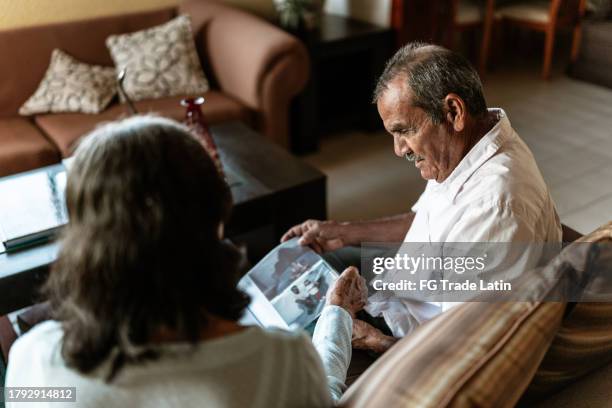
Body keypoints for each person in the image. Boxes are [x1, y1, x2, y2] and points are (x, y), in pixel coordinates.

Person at [5, 116, 366, 407]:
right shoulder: (279, 360)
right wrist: (336, 316)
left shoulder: (35, 359)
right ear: (217, 222)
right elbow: (325, 399)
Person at [282, 42, 562, 352]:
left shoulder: (496, 209)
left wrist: (372, 341)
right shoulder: (469, 148)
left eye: (403, 131)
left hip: (410, 339)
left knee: (289, 343)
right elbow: (429, 218)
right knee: (305, 264)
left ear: (453, 111)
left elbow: (464, 355)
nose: (398, 149)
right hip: (401, 291)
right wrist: (343, 232)